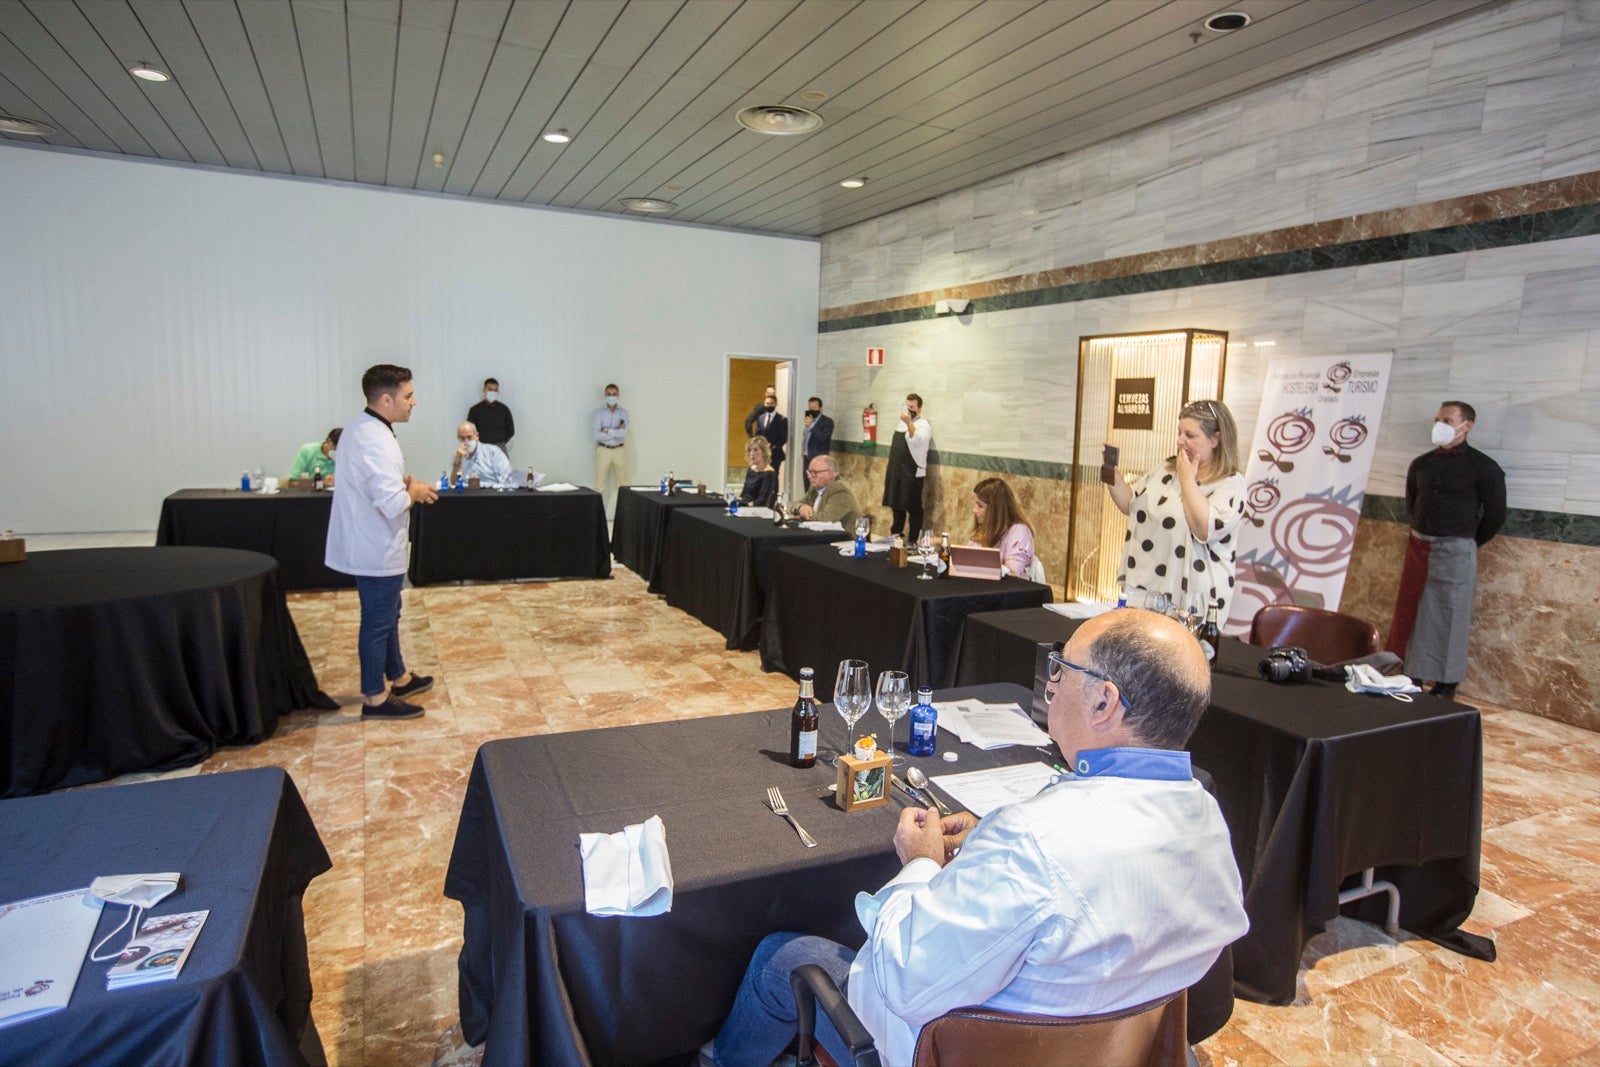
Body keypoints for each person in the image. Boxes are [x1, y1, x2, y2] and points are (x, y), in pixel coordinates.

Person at [705, 609, 1248, 1066]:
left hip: (954, 1048)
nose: (1051, 682)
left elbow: (902, 978)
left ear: (1105, 703)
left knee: (782, 955)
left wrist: (919, 865)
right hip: (1112, 1048)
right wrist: (993, 842)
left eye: (1061, 668)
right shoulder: (1207, 819)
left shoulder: (1034, 840)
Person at [325, 364, 439, 720]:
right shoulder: (374, 438)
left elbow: (378, 487)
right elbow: (391, 503)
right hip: (374, 546)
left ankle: (399, 676)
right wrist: (415, 490)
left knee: (389, 614)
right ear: (386, 399)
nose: (413, 402)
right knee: (377, 621)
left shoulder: (364, 429)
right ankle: (375, 698)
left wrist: (404, 485)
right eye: (408, 396)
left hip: (372, 541)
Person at [1386, 401, 1506, 699]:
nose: (1439, 424)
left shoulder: (1484, 468)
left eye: (1448, 420)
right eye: (1437, 418)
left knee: (1450, 615)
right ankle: (1410, 672)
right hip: (1419, 546)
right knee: (1414, 612)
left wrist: (1467, 541)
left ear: (1467, 425)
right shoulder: (1422, 464)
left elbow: (1496, 514)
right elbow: (1412, 502)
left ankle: (1446, 683)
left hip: (1456, 550)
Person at [1106, 399, 1245, 621]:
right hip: (1144, 591)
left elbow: (1204, 529)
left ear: (1215, 439)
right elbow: (1130, 505)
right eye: (1179, 432)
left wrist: (1187, 479)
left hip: (1190, 602)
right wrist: (1111, 475)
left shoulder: (1230, 483)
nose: (1180, 441)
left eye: (1190, 435)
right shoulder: (1165, 469)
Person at [881, 393, 931, 539]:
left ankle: (914, 540)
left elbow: (917, 440)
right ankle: (895, 536)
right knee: (897, 506)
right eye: (907, 406)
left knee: (913, 508)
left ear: (919, 408)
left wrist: (909, 423)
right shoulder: (900, 425)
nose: (909, 410)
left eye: (912, 407)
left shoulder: (923, 425)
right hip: (897, 472)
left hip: (912, 473)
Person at [967, 476, 1035, 577]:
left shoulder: (1019, 532)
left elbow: (1013, 575)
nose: (974, 510)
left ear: (995, 510)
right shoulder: (984, 529)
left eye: (980, 506)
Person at [791, 455, 859, 529]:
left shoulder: (840, 489)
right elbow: (794, 504)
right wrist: (801, 507)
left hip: (841, 538)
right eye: (809, 472)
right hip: (819, 534)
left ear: (830, 473)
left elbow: (825, 519)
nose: (810, 476)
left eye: (815, 472)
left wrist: (801, 516)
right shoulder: (815, 487)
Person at [593, 383, 629, 516]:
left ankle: (624, 515)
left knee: (623, 485)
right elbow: (596, 435)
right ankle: (597, 515)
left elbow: (624, 434)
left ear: (618, 395)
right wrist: (616, 431)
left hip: (620, 450)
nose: (611, 397)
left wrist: (607, 430)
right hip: (603, 450)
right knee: (599, 485)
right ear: (605, 394)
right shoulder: (599, 414)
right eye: (609, 394)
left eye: (614, 394)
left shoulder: (623, 413)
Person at [451, 421, 516, 488]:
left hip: (490, 493)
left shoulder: (493, 452)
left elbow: (507, 478)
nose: (466, 441)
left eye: (469, 437)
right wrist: (457, 461)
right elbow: (454, 482)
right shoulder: (459, 455)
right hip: (466, 494)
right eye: (462, 438)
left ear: (477, 436)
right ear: (458, 438)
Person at [467, 377, 514, 454]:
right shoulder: (475, 410)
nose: (492, 392)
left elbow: (511, 430)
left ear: (498, 391)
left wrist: (501, 441)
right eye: (490, 389)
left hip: (499, 446)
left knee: (502, 466)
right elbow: (469, 431)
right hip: (481, 447)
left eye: (495, 390)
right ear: (484, 390)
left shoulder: (504, 409)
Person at [749, 389, 789, 477]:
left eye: (771, 404)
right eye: (767, 403)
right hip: (761, 453)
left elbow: (783, 437)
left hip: (775, 454)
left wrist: (772, 448)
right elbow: (758, 433)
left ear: (775, 404)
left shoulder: (782, 420)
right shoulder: (760, 418)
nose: (769, 405)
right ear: (764, 404)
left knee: (773, 476)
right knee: (761, 475)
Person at [801, 397, 834, 489]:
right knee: (807, 482)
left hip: (818, 458)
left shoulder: (827, 422)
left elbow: (823, 437)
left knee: (817, 484)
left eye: (814, 408)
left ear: (820, 408)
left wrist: (811, 425)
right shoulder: (809, 420)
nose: (811, 410)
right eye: (810, 408)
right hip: (807, 457)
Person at [737, 436, 778, 508]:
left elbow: (761, 501)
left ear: (764, 452)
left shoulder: (769, 473)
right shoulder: (751, 469)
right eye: (750, 450)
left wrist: (744, 505)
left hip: (756, 509)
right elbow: (743, 494)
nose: (752, 453)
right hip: (745, 505)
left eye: (755, 450)